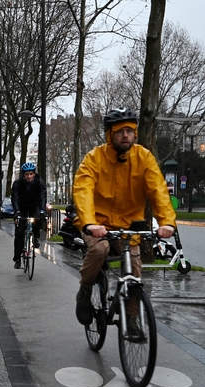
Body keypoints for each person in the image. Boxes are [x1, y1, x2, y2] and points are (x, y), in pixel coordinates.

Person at [73, 107, 176, 331]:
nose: (126, 135)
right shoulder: (94, 158)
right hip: (98, 223)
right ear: (110, 134)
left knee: (134, 266)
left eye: (130, 130)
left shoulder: (144, 158)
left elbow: (158, 190)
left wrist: (167, 222)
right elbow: (83, 189)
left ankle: (131, 317)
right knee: (99, 250)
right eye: (120, 131)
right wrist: (89, 223)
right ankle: (85, 290)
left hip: (129, 225)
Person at [11, 162, 47, 269]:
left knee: (37, 219)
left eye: (31, 174)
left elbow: (42, 196)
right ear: (23, 175)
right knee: (19, 232)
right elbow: (15, 198)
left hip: (34, 205)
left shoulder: (39, 182)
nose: (29, 176)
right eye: (27, 174)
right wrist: (17, 211)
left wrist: (42, 209)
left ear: (34, 174)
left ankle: (35, 237)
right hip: (21, 207)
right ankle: (17, 259)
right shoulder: (17, 184)